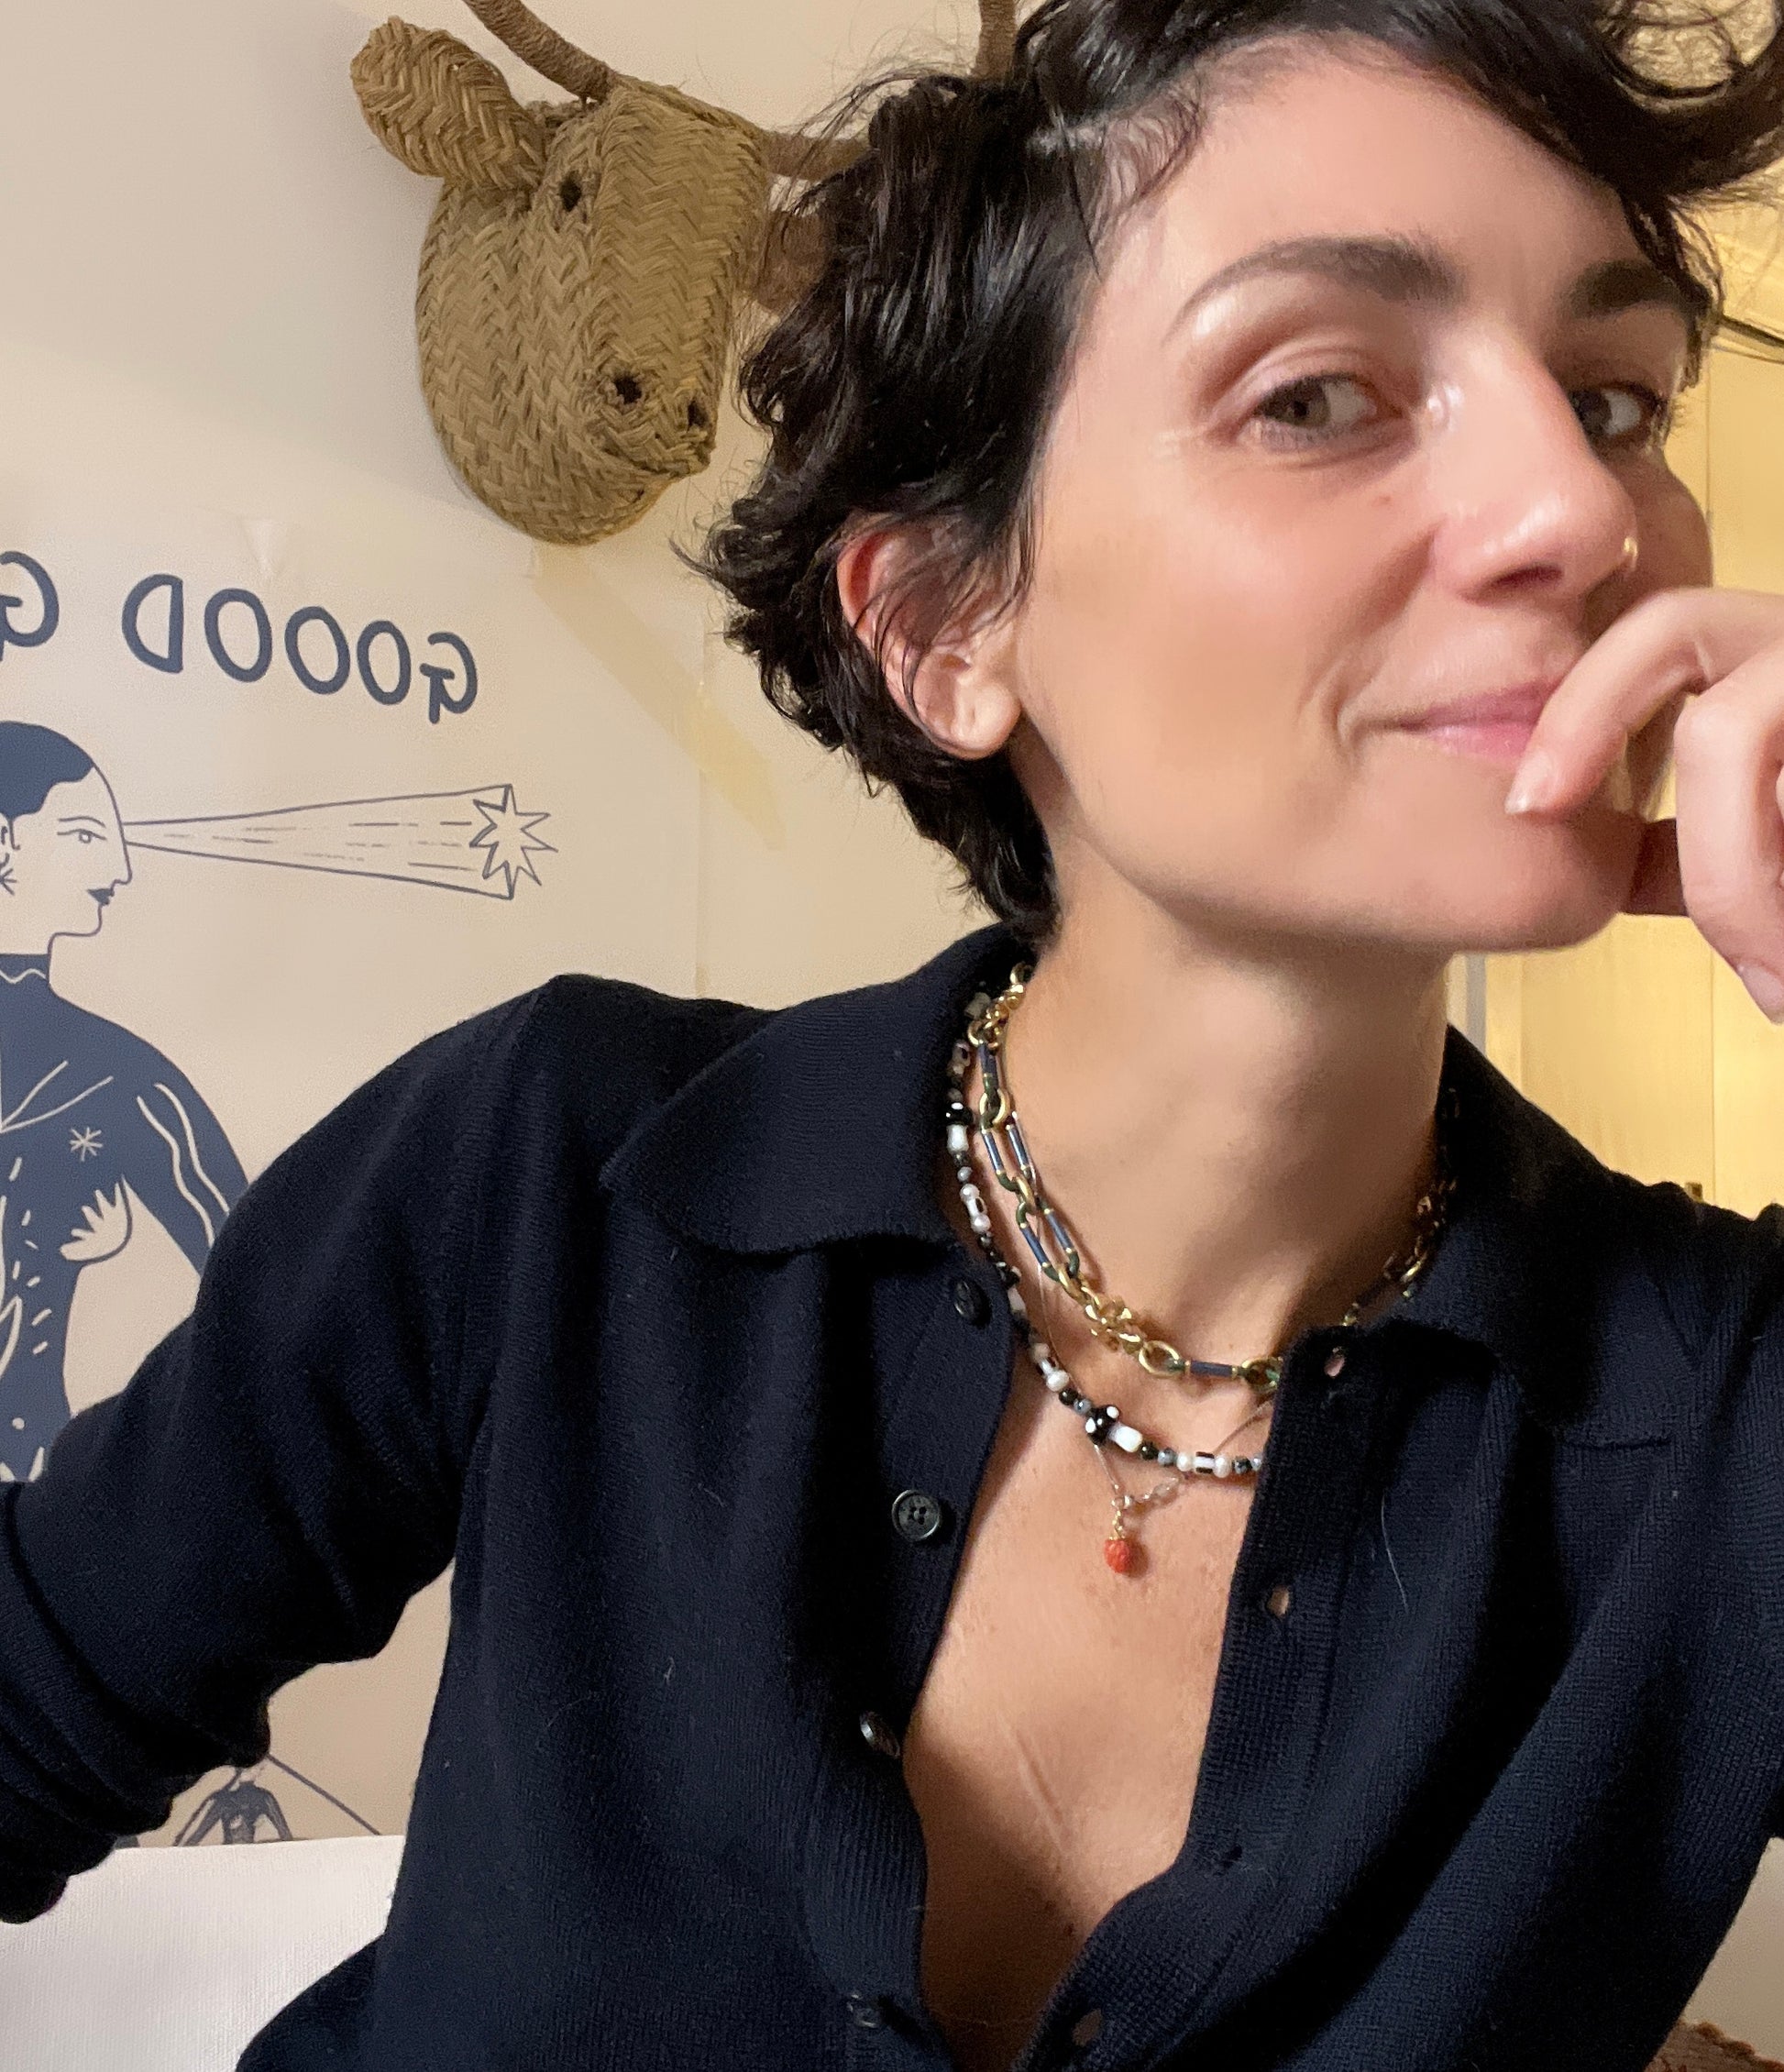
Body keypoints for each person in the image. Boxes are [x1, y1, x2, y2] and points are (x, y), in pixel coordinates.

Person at [3, 4, 1784, 2069]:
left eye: (1614, 399)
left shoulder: (1723, 1414)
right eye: (1315, 395)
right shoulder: (551, 1167)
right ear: (942, 624)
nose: (1574, 510)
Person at [0, 723, 245, 1482]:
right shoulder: (120, 1074)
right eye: (85, 834)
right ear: (5, 842)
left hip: (29, 1481)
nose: (122, 868)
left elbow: (261, 1275)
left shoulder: (120, 1077)